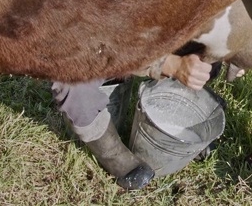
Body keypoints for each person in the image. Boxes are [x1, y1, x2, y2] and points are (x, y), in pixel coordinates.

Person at [51, 53, 213, 190]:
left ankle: (180, 131)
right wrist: (165, 63)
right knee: (73, 82)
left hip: (140, 34)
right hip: (88, 44)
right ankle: (112, 154)